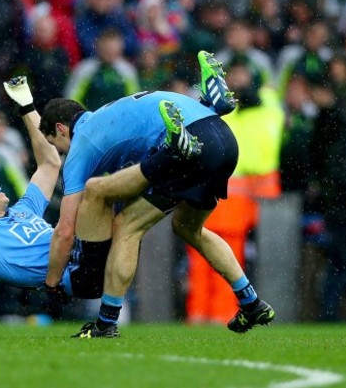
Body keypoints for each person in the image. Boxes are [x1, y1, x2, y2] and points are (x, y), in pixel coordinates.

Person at [37, 51, 274, 338]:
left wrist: (51, 283)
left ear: (61, 129)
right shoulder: (107, 116)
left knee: (126, 226)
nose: (62, 154)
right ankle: (251, 302)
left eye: (57, 145)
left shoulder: (81, 147)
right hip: (223, 139)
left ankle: (106, 323)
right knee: (189, 228)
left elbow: (65, 229)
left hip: (191, 143)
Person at [0, 77, 197, 312]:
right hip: (77, 272)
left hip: (94, 254)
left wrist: (27, 107)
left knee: (120, 184)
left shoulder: (24, 209)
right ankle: (169, 153)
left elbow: (50, 163)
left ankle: (176, 155)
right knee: (95, 188)